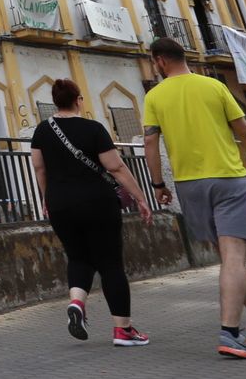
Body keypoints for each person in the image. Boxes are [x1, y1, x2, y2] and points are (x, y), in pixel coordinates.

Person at [142, 37, 246, 360]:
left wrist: (157, 184)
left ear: (160, 61)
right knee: (234, 257)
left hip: (189, 185)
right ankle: (231, 333)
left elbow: (150, 144)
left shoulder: (154, 96)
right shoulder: (214, 88)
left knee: (229, 260)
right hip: (228, 178)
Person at [30, 78, 154, 347]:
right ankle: (123, 330)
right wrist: (140, 196)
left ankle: (77, 302)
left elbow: (40, 169)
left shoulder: (42, 130)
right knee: (110, 264)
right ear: (78, 100)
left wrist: (46, 198)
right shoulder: (93, 129)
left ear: (55, 102)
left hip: (60, 203)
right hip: (97, 201)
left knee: (77, 257)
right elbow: (116, 167)